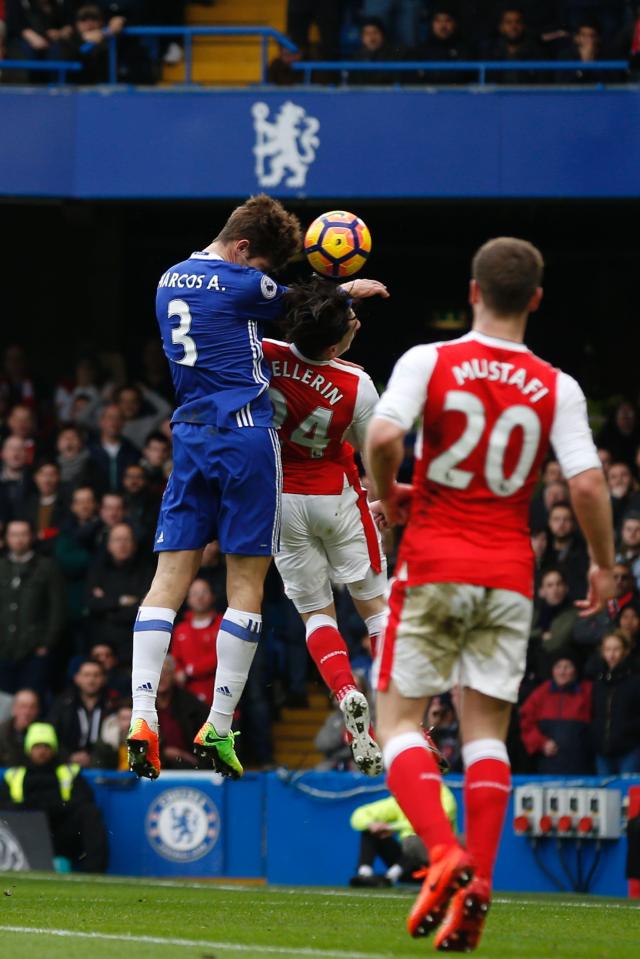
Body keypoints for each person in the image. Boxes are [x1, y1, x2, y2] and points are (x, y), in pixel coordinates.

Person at [366, 237, 614, 950]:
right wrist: (602, 564)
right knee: (485, 735)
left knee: (401, 721)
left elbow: (383, 436)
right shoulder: (556, 384)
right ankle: (481, 886)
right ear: (536, 299)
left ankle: (444, 850)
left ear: (473, 291)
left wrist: (391, 496)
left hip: (436, 559)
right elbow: (589, 481)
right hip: (509, 571)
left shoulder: (428, 360)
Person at [127, 195, 303, 782]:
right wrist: (347, 291)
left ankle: (142, 714)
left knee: (166, 581)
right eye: (264, 268)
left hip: (191, 435)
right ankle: (219, 724)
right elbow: (306, 310)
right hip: (246, 437)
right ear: (244, 249)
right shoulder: (239, 282)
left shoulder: (167, 277)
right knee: (246, 581)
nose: (264, 281)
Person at [263, 276, 390, 775]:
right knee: (375, 610)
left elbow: (296, 314)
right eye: (353, 322)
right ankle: (400, 716)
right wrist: (381, 501)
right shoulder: (357, 384)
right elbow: (377, 456)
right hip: (334, 495)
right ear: (335, 345)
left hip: (280, 499)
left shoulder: (265, 354)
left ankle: (344, 692)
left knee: (317, 613)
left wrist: (340, 293)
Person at [0, 722, 108, 872]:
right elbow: (5, 807)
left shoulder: (69, 772)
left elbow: (84, 801)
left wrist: (48, 808)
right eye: (37, 746)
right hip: (25, 836)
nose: (42, 751)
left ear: (54, 749)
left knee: (90, 813)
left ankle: (94, 873)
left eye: (46, 746)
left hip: (61, 835)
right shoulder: (14, 776)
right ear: (29, 749)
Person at [0, 520, 67, 697]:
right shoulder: (2, 566)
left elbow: (57, 609)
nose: (19, 539)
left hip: (34, 650)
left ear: (31, 536)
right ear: (6, 538)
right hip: (4, 649)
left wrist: (47, 643)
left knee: (32, 701)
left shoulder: (47, 567)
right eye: (14, 535)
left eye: (23, 534)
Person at [349, 780, 458, 888]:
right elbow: (359, 814)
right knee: (371, 831)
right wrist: (371, 824)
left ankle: (389, 877)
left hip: (434, 864)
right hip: (407, 866)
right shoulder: (403, 798)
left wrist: (392, 827)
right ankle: (365, 875)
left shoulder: (442, 793)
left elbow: (439, 818)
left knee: (414, 842)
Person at [519, 654, 593, 774]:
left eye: (567, 667)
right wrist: (542, 743)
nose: (562, 672)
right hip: (547, 764)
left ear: (575, 670)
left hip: (581, 764)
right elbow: (526, 721)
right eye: (558, 667)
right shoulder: (541, 693)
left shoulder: (587, 691)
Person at [48, 659, 112, 766]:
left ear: (104, 679)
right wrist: (68, 757)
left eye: (96, 675)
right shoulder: (63, 704)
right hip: (65, 764)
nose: (91, 680)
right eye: (86, 675)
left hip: (103, 766)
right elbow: (52, 734)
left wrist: (94, 758)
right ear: (77, 678)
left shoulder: (111, 705)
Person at [592, 631, 640, 774]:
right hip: (602, 750)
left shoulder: (635, 681)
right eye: (608, 649)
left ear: (625, 651)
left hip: (629, 749)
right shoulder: (599, 681)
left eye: (616, 649)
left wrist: (629, 731)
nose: (612, 655)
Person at [171, 577, 222, 703]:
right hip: (189, 698)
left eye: (204, 592)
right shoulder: (180, 629)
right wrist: (178, 672)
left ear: (213, 596)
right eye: (194, 593)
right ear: (187, 599)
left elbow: (222, 656)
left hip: (220, 694)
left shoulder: (223, 624)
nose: (199, 597)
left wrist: (190, 671)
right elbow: (175, 659)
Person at [0, 688, 40, 766]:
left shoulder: (46, 731)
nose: (27, 712)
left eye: (32, 707)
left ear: (38, 710)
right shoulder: (1, 732)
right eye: (23, 706)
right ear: (13, 708)